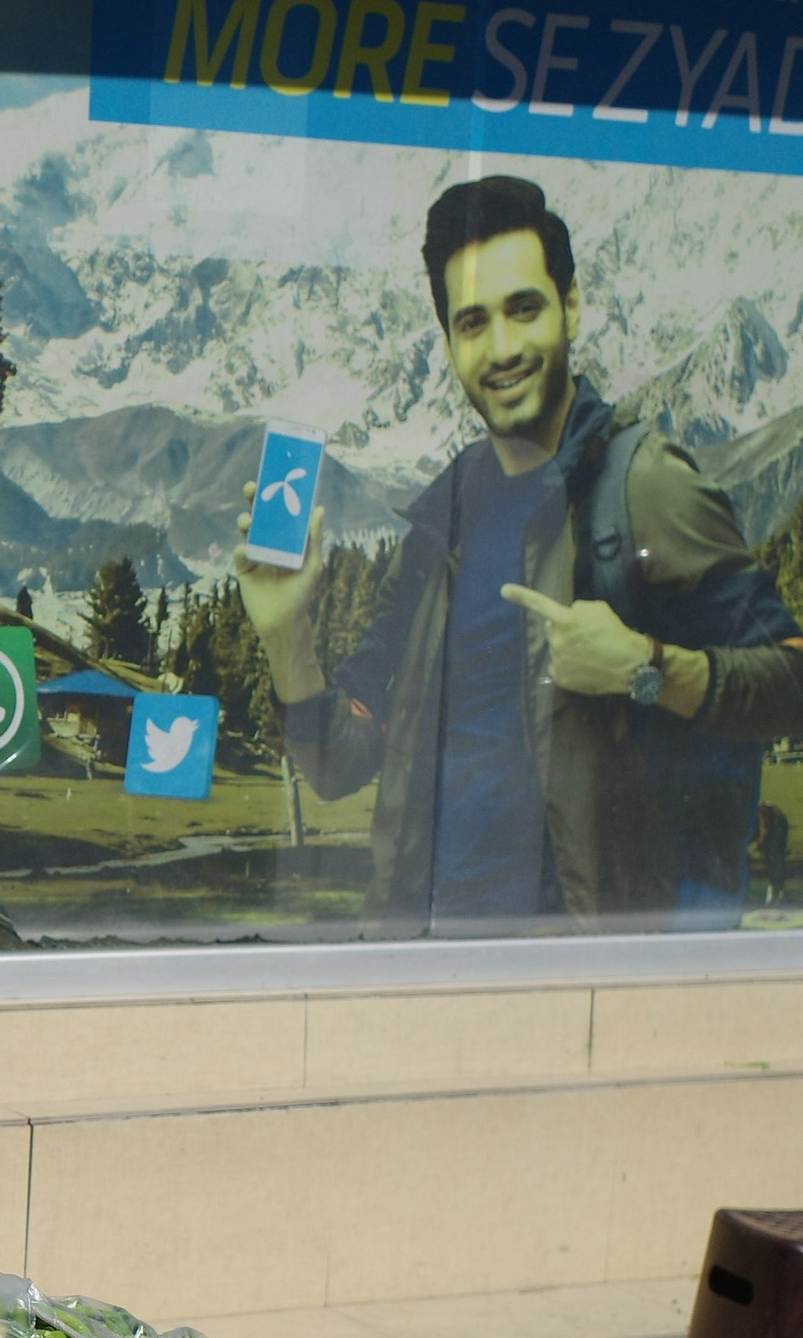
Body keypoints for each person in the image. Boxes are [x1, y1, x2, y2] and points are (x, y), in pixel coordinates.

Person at [239, 174, 803, 933]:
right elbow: (340, 763)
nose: (502, 347)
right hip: (430, 966)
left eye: (524, 309)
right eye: (473, 323)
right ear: (448, 344)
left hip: (587, 976)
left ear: (571, 306)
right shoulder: (444, 524)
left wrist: (648, 667)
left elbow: (792, 678)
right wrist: (285, 635)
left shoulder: (644, 485)